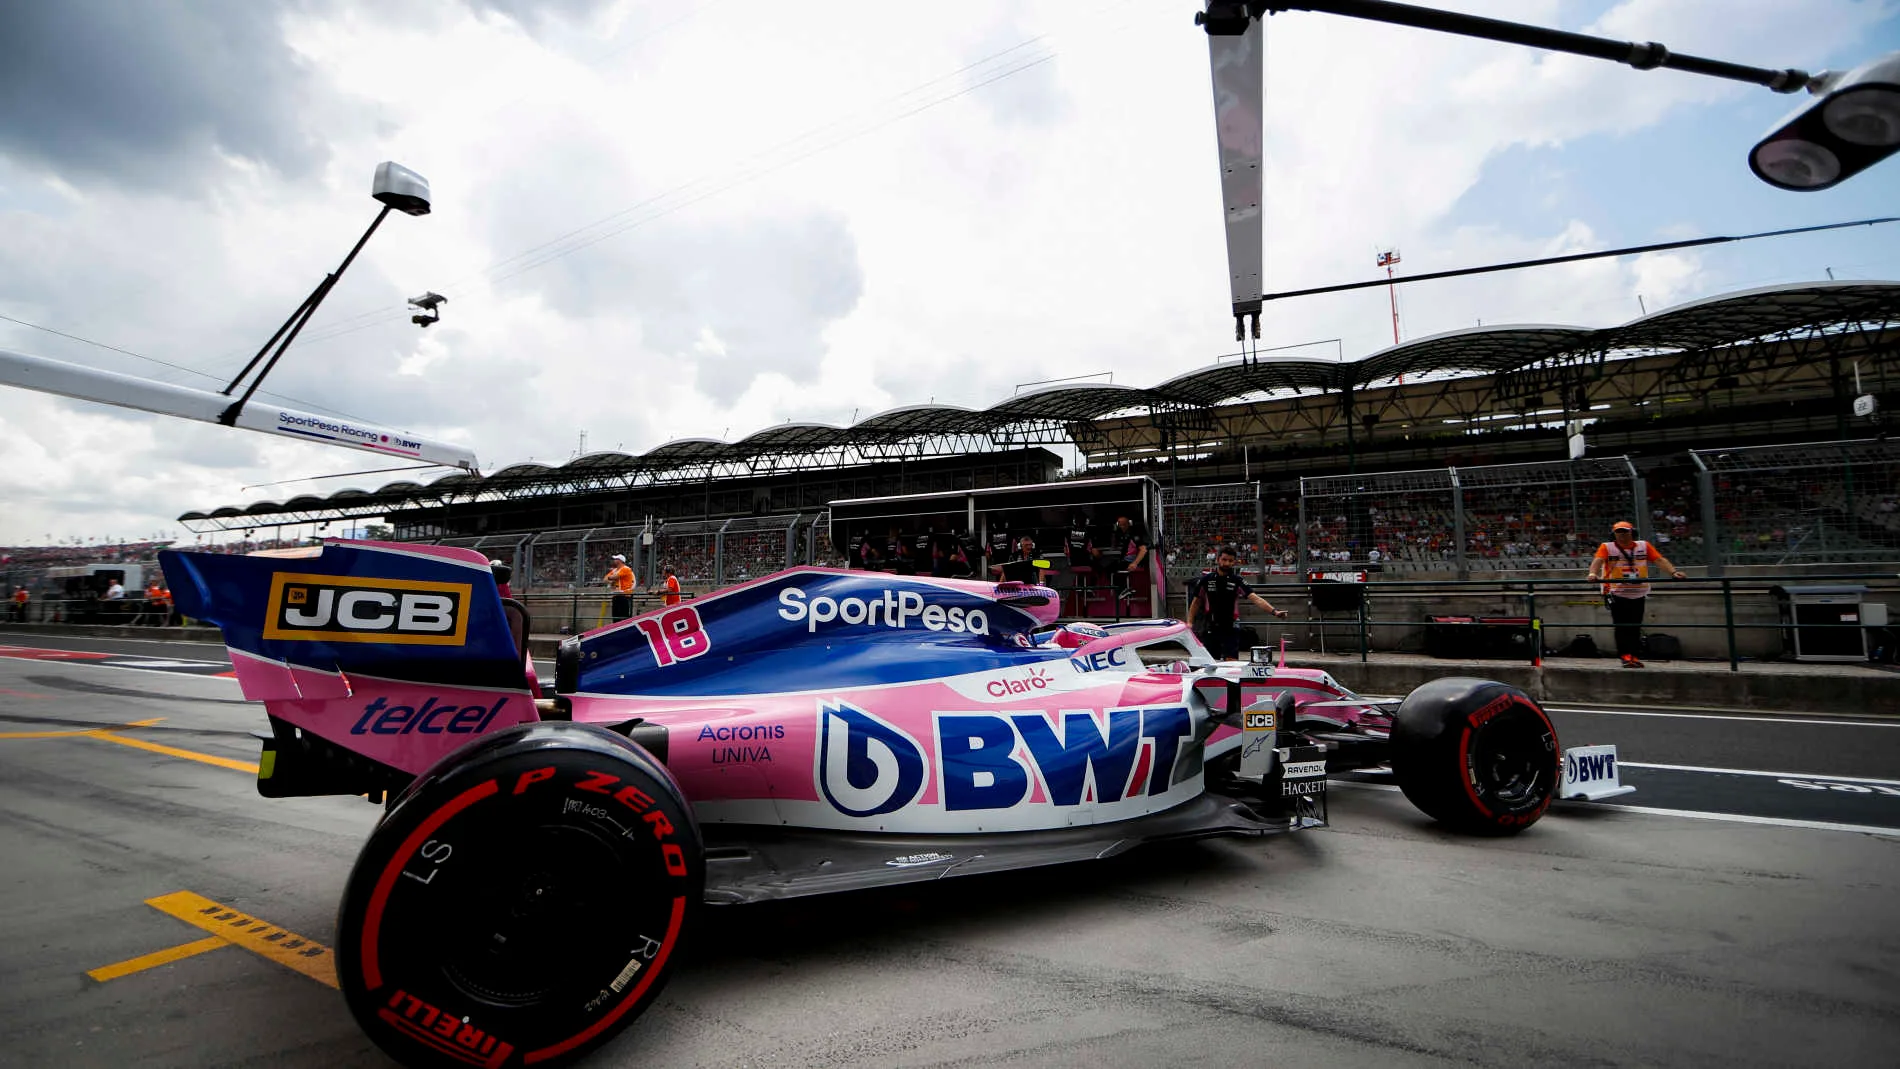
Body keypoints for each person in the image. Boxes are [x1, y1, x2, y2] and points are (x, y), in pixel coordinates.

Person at [1587, 520, 1684, 668]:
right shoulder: (1607, 547)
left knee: (1635, 626)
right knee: (1621, 626)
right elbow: (1598, 561)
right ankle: (1625, 656)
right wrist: (1592, 574)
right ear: (1613, 534)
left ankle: (1634, 655)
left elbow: (1659, 559)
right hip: (1616, 591)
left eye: (1625, 531)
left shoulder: (1643, 546)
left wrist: (1673, 572)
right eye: (1618, 532)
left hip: (1638, 592)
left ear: (1632, 532)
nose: (1622, 535)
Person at [1186, 544, 1288, 660]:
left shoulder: (1237, 581)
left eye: (1230, 561)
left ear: (1234, 562)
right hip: (1211, 626)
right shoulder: (1206, 580)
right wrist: (1189, 623)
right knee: (1210, 663)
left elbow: (1256, 599)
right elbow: (1196, 602)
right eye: (1224, 559)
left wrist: (1274, 611)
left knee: (1231, 663)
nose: (1227, 563)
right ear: (1218, 559)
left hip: (1231, 626)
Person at [605, 553, 635, 622]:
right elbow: (605, 579)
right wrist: (611, 581)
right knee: (616, 616)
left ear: (620, 561)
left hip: (624, 595)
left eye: (616, 559)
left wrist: (611, 578)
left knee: (623, 616)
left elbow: (613, 577)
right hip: (616, 594)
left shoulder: (625, 569)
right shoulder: (615, 570)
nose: (614, 560)